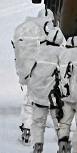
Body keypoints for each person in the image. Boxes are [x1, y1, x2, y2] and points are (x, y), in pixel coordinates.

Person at [26, 20, 64, 153]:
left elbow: (30, 69)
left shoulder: (39, 50)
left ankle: (37, 145)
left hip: (38, 95)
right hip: (54, 97)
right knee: (59, 122)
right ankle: (63, 146)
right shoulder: (62, 53)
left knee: (38, 122)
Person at [12, 10, 50, 144]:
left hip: (29, 71)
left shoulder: (27, 29)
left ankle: (26, 128)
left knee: (29, 99)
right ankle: (62, 134)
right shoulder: (49, 32)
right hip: (45, 73)